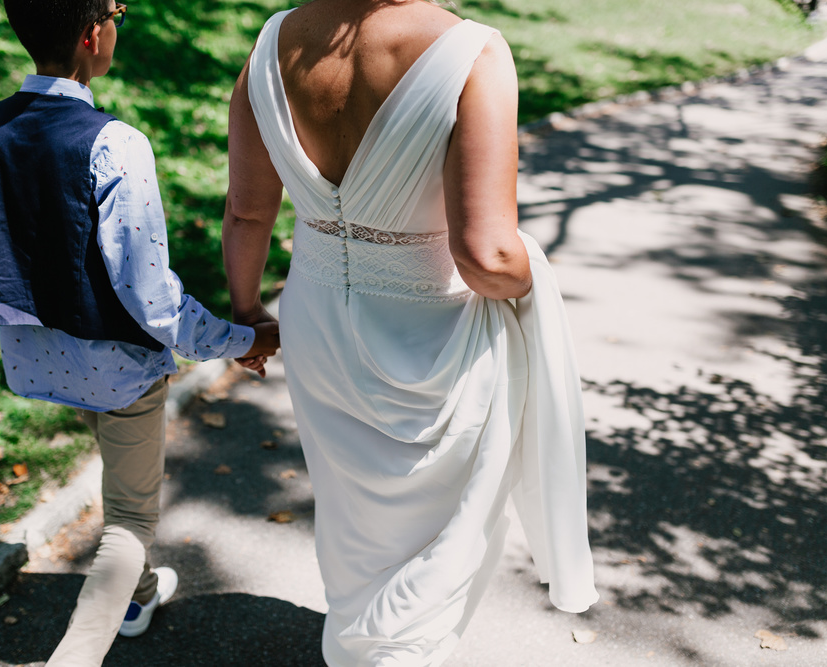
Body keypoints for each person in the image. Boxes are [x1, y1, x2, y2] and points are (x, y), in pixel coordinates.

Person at [222, 0, 598, 663]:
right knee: (439, 539)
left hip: (316, 323)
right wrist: (533, 281)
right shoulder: (473, 53)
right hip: (431, 338)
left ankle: (360, 640)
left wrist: (248, 312)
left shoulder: (274, 42)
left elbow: (247, 212)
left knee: (351, 515)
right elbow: (486, 256)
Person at [0, 1, 279, 664]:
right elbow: (152, 300)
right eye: (117, 12)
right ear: (92, 33)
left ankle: (139, 593)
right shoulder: (116, 144)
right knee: (130, 520)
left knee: (121, 472)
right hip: (120, 368)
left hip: (40, 359)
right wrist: (243, 340)